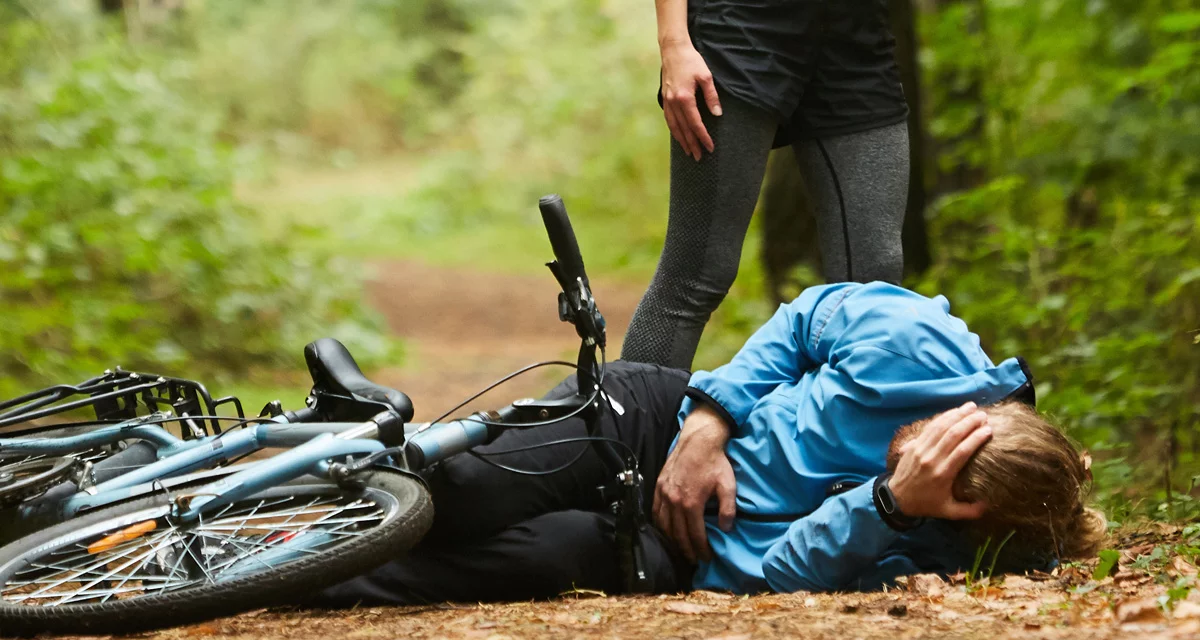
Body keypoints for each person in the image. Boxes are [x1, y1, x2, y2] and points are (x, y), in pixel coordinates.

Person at [313, 283, 1104, 606]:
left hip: (682, 548)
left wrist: (889, 504)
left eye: (921, 472)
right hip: (659, 423)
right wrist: (709, 422)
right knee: (470, 492)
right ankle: (352, 437)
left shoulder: (943, 543)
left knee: (533, 558)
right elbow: (806, 319)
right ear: (979, 411)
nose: (908, 449)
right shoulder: (928, 348)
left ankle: (277, 567)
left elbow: (785, 574)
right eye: (928, 438)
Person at [620, 0, 913, 370]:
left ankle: (844, 424)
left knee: (875, 280)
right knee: (696, 273)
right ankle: (627, 426)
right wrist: (674, 43)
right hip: (742, 25)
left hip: (856, 35)